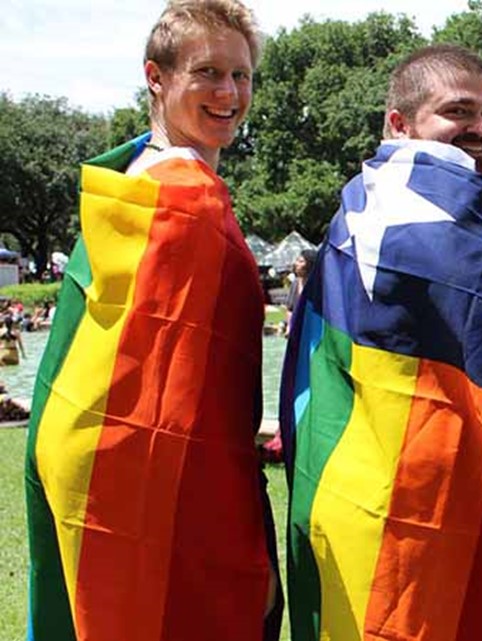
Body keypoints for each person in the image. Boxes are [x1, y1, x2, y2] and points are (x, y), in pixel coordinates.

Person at [279, 45, 482, 641]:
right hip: (429, 516)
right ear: (400, 125)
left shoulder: (354, 208)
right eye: (458, 111)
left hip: (345, 493)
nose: (480, 130)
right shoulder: (457, 223)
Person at [24, 2, 281, 639]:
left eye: (242, 75)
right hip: (159, 475)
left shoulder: (133, 183)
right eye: (208, 72)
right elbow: (166, 383)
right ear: (156, 77)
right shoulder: (181, 201)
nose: (229, 93)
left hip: (103, 458)